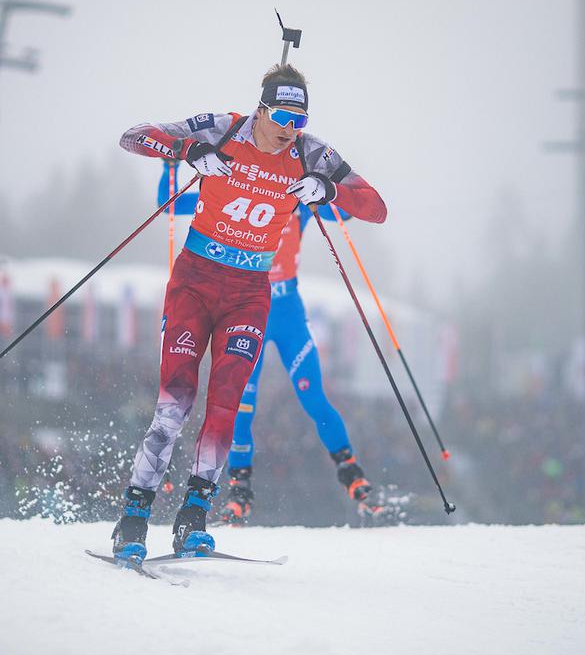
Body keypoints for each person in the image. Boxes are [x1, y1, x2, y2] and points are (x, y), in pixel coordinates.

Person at [112, 64, 386, 562]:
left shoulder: (312, 155)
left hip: (248, 294)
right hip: (195, 283)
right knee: (175, 402)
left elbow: (375, 207)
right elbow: (133, 137)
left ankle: (194, 518)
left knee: (225, 405)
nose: (289, 129)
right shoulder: (221, 128)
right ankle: (133, 516)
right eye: (281, 115)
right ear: (262, 109)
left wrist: (329, 191)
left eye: (298, 120)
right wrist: (190, 150)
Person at [154, 163, 384, 525]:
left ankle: (352, 473)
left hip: (287, 312)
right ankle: (239, 491)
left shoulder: (297, 203)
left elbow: (349, 213)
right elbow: (170, 205)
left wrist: (327, 183)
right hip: (248, 307)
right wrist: (170, 167)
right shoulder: (240, 197)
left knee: (312, 395)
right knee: (243, 403)